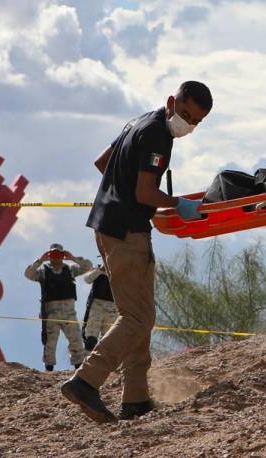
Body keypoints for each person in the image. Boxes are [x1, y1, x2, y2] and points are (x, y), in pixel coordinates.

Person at [60, 81, 213, 424]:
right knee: (138, 317)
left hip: (106, 225)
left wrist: (124, 190)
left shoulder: (139, 121)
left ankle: (136, 398)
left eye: (196, 122)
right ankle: (86, 381)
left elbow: (103, 163)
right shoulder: (159, 135)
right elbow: (146, 192)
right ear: (173, 101)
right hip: (128, 232)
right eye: (186, 115)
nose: (187, 125)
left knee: (137, 311)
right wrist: (176, 203)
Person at [24, 243, 93, 372]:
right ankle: (49, 371)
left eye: (59, 254)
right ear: (49, 255)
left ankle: (79, 370)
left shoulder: (70, 269)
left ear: (63, 255)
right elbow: (28, 274)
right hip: (51, 313)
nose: (55, 257)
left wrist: (73, 258)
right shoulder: (43, 272)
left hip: (69, 313)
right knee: (50, 344)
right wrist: (40, 260)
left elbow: (88, 266)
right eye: (52, 254)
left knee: (76, 341)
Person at [81, 264, 118, 350]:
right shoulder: (97, 267)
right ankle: (88, 362)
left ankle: (103, 362)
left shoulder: (121, 270)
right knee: (90, 341)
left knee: (108, 343)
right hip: (96, 307)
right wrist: (100, 269)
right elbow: (87, 279)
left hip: (112, 309)